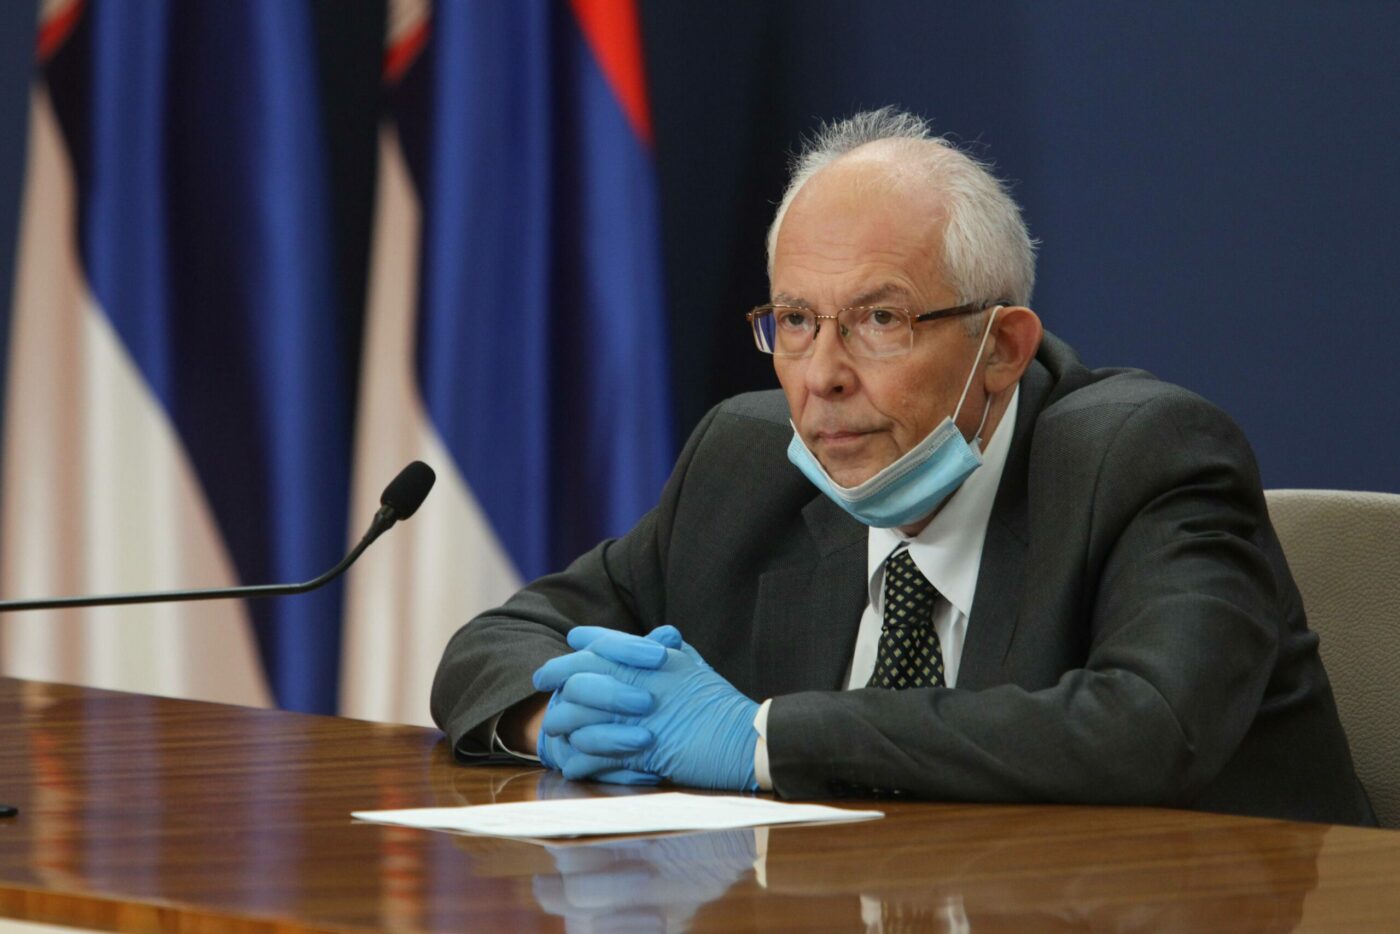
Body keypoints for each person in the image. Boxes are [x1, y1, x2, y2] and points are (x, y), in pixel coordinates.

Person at [431, 107, 1375, 825]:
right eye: (796, 321)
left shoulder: (1146, 459)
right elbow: (498, 642)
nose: (822, 377)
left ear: (1002, 348)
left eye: (879, 320)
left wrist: (762, 740)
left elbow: (1148, 729)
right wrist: (558, 716)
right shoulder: (744, 463)